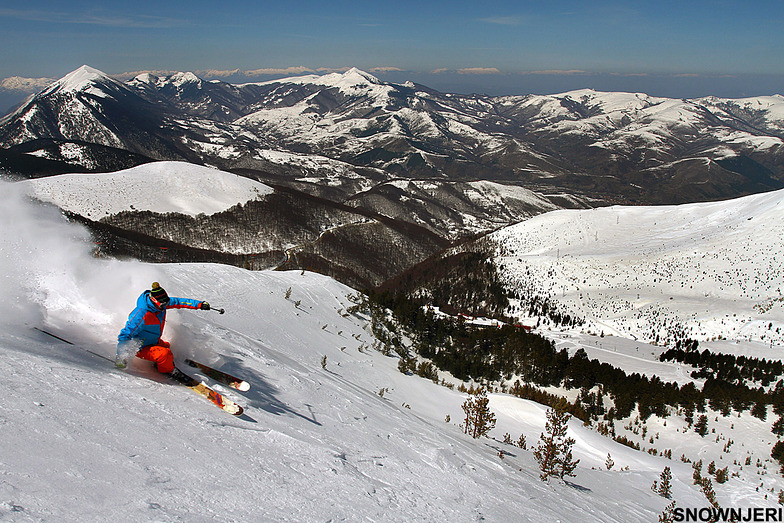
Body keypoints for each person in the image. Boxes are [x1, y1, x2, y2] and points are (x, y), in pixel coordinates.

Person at [116, 282, 210, 375]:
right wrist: (121, 356)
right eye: (162, 305)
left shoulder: (161, 304)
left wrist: (199, 305)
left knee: (167, 347)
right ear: (154, 301)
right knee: (165, 354)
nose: (164, 307)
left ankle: (164, 361)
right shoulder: (141, 315)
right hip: (141, 348)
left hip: (153, 341)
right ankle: (168, 371)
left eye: (166, 304)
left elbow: (179, 302)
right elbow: (125, 334)